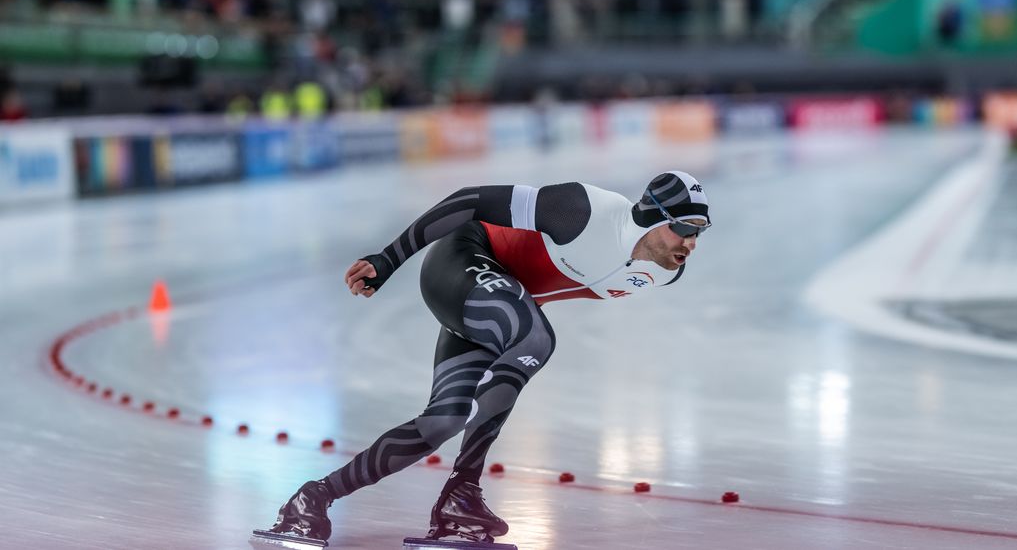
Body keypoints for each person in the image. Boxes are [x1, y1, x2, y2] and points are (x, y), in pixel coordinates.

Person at [255, 172, 712, 547]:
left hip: (495, 307)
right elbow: (468, 199)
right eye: (685, 229)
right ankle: (463, 492)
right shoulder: (583, 210)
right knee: (536, 339)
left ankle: (312, 498)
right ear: (654, 217)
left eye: (699, 233)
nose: (690, 244)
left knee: (443, 420)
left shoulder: (661, 274)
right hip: (464, 260)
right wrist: (389, 259)